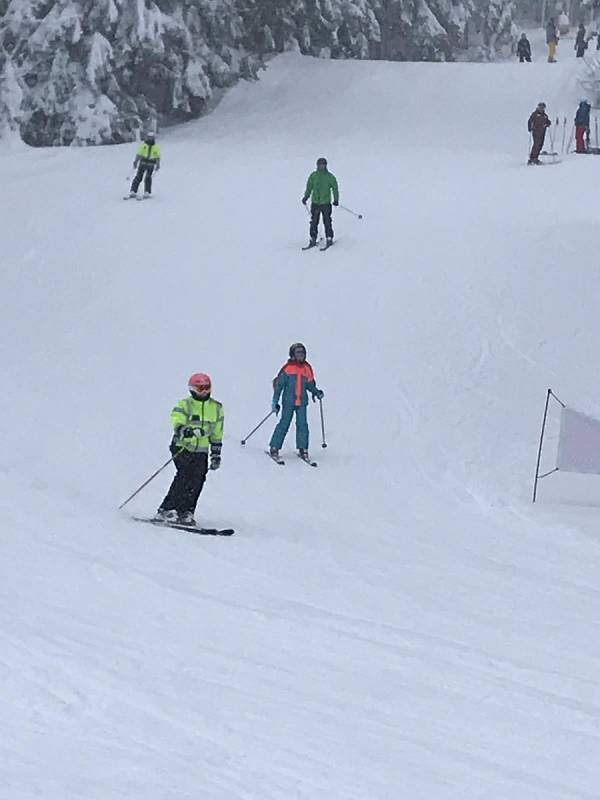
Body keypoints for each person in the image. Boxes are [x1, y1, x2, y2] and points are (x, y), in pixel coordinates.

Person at [155, 373, 224, 526]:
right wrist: (185, 430)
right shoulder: (185, 405)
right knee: (184, 476)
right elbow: (177, 419)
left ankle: (186, 511)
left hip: (201, 451)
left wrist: (216, 454)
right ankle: (167, 509)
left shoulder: (217, 408)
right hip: (182, 446)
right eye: (200, 389)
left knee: (198, 479)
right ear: (192, 389)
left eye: (207, 388)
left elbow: (217, 432)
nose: (204, 392)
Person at [269, 343, 324, 460]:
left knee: (302, 425)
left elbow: (310, 384)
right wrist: (275, 401)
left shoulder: (306, 368)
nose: (301, 356)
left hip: (302, 402)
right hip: (288, 401)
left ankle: (303, 448)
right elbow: (279, 386)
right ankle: (275, 447)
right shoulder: (288, 369)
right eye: (298, 354)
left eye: (303, 354)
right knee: (284, 423)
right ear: (293, 355)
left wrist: (316, 392)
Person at [302, 157, 339, 249]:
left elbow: (335, 188)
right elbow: (309, 187)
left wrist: (336, 199)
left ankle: (329, 238)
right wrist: (306, 196)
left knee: (327, 221)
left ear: (325, 166)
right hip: (315, 203)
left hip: (326, 203)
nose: (321, 166)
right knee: (314, 222)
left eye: (323, 165)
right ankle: (313, 238)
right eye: (320, 165)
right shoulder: (313, 176)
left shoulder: (330, 176)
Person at [129, 131, 161, 198]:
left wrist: (158, 164)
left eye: (151, 138)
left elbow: (158, 156)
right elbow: (139, 154)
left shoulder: (156, 146)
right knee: (138, 176)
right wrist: (136, 161)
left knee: (148, 177)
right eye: (149, 138)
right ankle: (133, 191)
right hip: (143, 162)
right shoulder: (143, 145)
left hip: (151, 163)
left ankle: (147, 191)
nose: (150, 139)